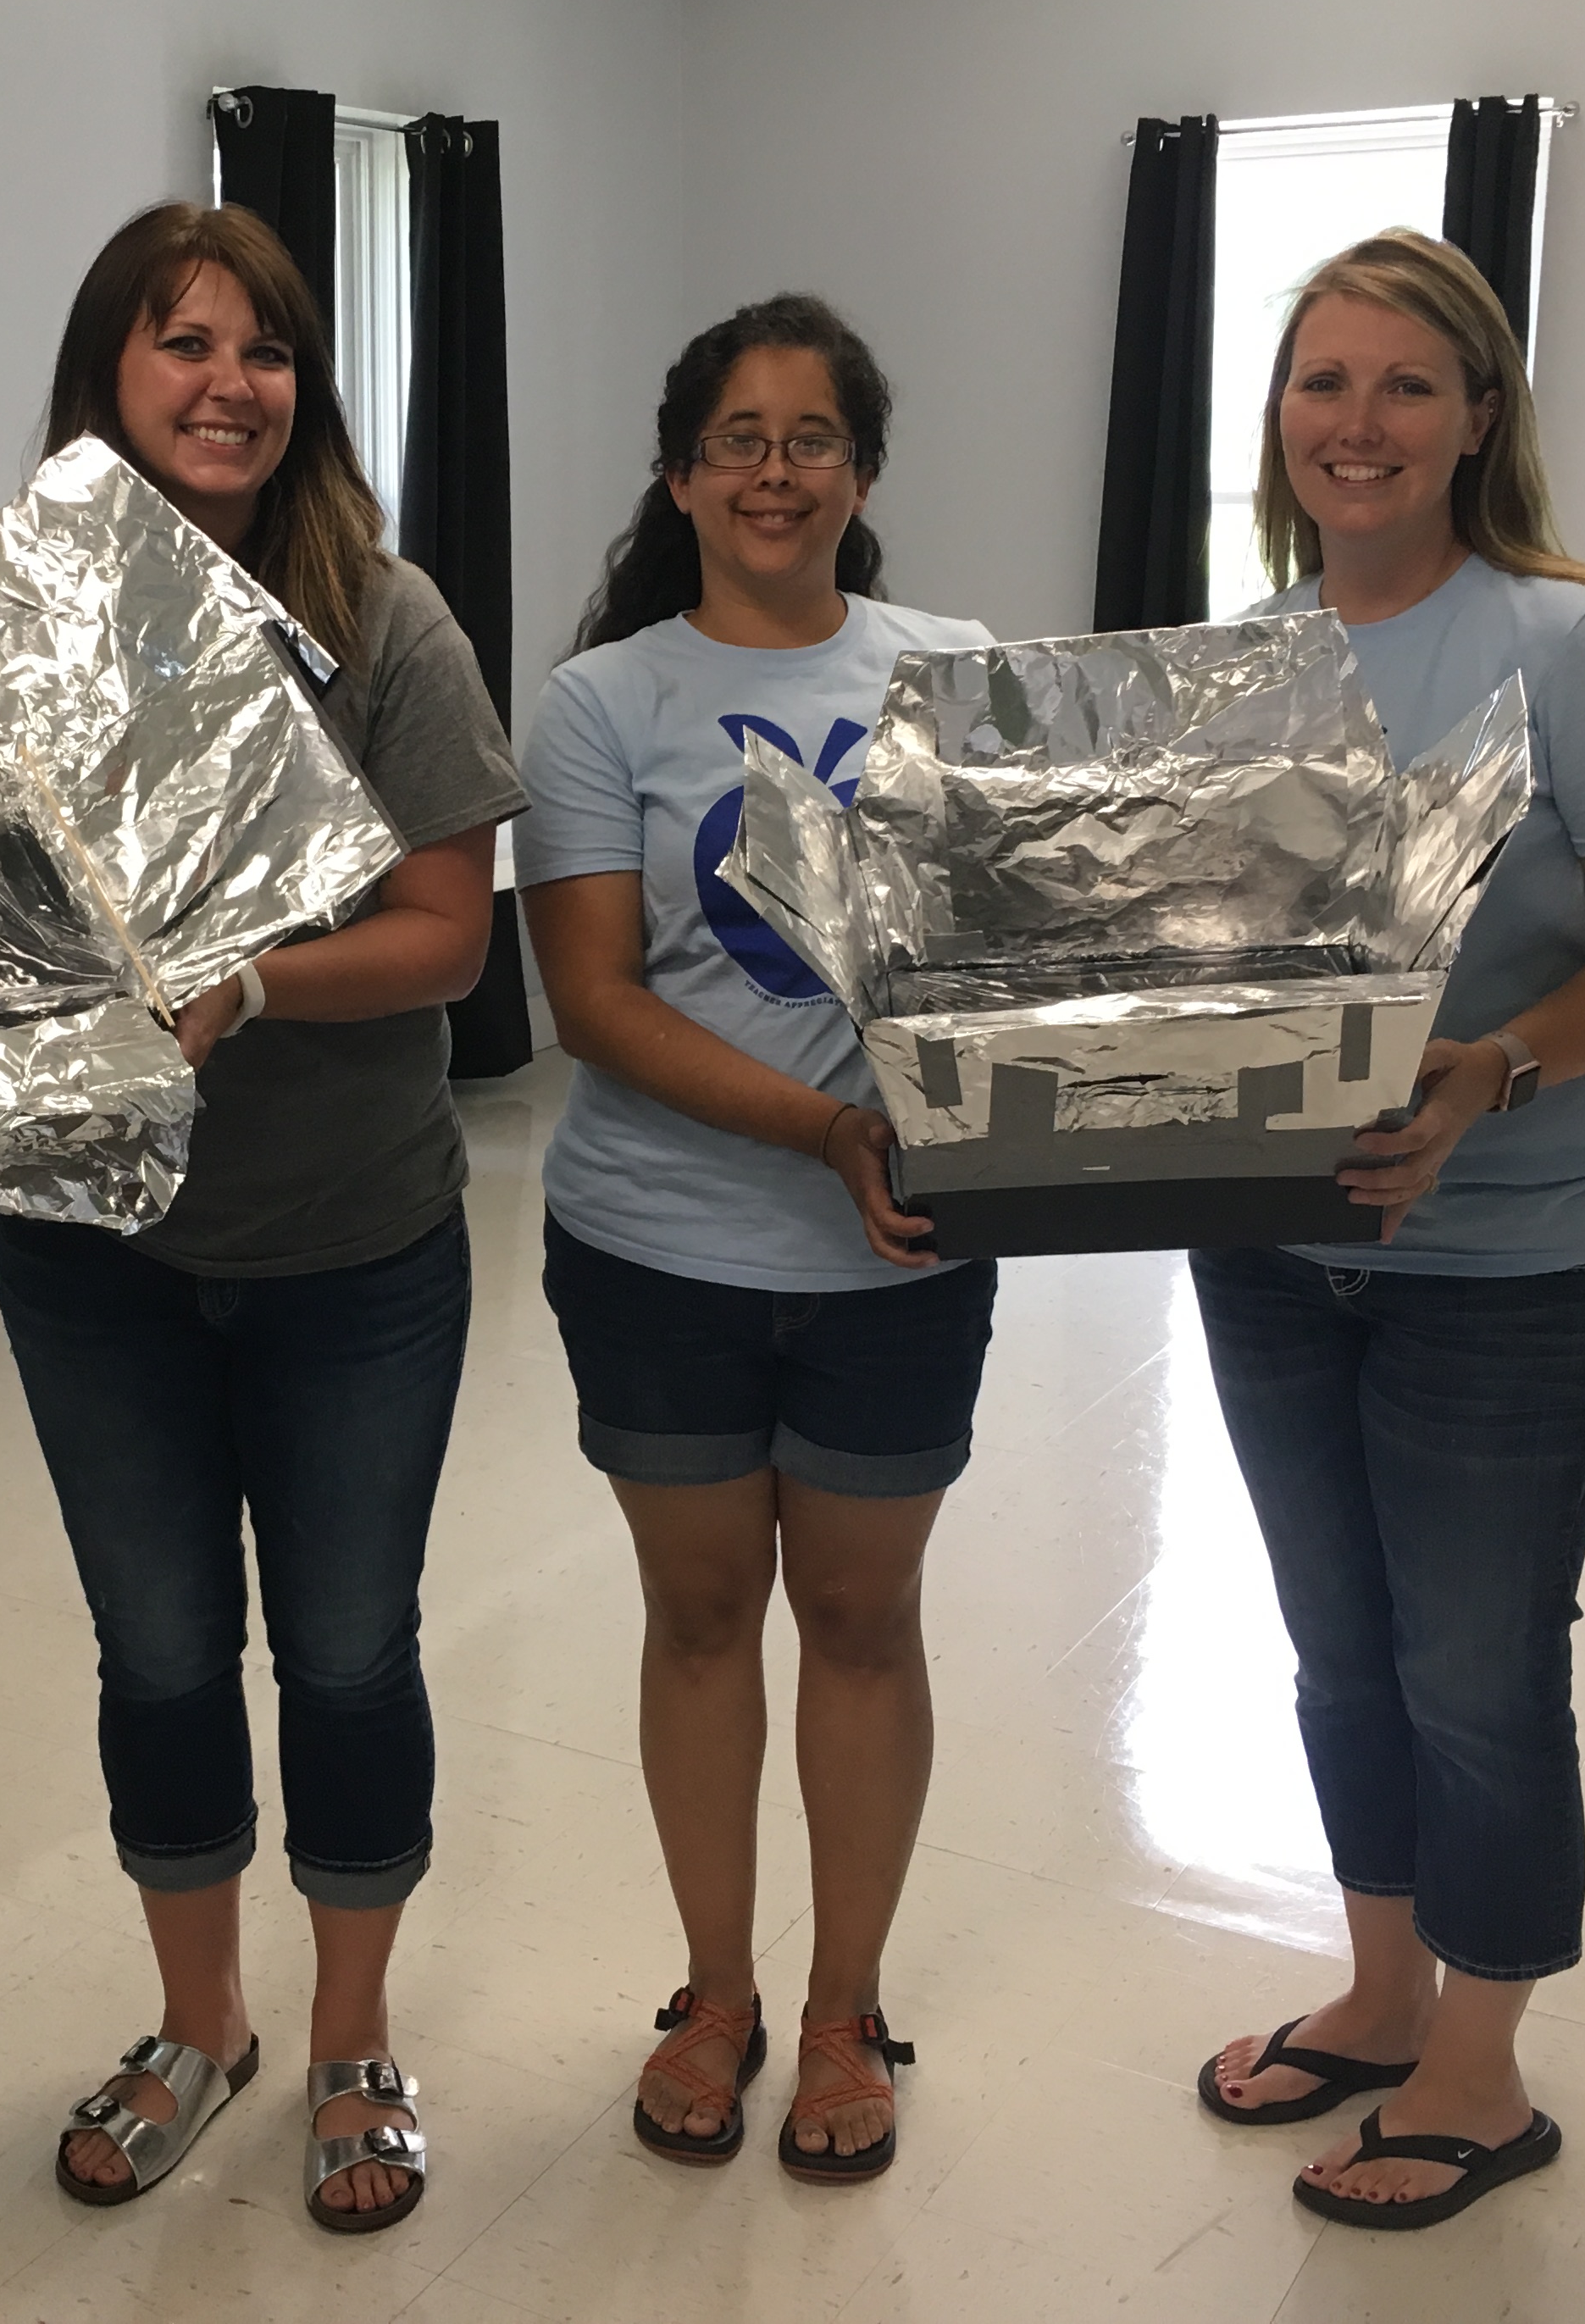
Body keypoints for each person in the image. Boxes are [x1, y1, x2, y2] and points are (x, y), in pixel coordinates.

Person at [1188, 230, 1585, 2230]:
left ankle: (1482, 2072)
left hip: (1525, 1262)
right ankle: (1381, 1987)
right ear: (1280, 416)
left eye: (1407, 385)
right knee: (1341, 1651)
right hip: (1271, 1243)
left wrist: (1493, 1070)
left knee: (1477, 1666)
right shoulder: (1246, 657)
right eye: (1324, 383)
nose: (1359, 425)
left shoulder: (1583, 648)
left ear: (1480, 415)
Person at [0, 202, 524, 2235]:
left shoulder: (385, 626)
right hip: (90, 1252)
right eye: (182, 343)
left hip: (349, 1258)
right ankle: (200, 2022)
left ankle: (350, 2040)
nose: (229, 384)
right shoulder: (18, 633)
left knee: (352, 1651)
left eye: (266, 349)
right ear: (107, 378)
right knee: (155, 1653)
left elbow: (452, 940)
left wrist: (254, 984)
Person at [518, 295, 998, 2184]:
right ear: (681, 470)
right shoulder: (601, 701)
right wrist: (825, 1127)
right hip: (658, 1252)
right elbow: (596, 1002)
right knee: (705, 1617)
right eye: (738, 437)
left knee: (867, 1627)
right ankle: (714, 1996)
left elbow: (1010, 960)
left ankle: (840, 2012)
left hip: (899, 1265)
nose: (774, 471)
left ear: (859, 472)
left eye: (810, 438)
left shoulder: (950, 676)